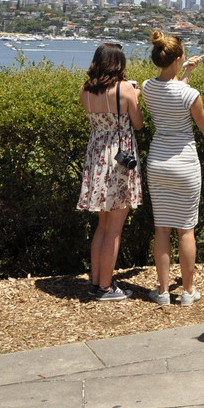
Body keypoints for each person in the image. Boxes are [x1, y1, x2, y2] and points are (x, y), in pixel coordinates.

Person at [140, 32, 204, 306]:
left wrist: (186, 72)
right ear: (178, 59)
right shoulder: (191, 94)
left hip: (158, 162)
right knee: (186, 230)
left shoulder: (147, 87)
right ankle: (188, 292)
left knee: (162, 229)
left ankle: (163, 291)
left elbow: (170, 96)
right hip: (185, 165)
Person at [77, 43, 143, 301]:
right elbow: (137, 124)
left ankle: (96, 281)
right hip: (119, 159)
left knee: (102, 226)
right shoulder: (125, 89)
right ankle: (105, 287)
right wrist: (136, 96)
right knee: (114, 228)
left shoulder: (85, 89)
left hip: (96, 155)